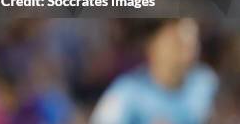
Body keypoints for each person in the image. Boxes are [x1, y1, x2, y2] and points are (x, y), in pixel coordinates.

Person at [90, 18, 218, 124]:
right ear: (152, 45)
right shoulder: (126, 92)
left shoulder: (206, 83)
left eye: (192, 40)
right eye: (176, 41)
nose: (187, 49)